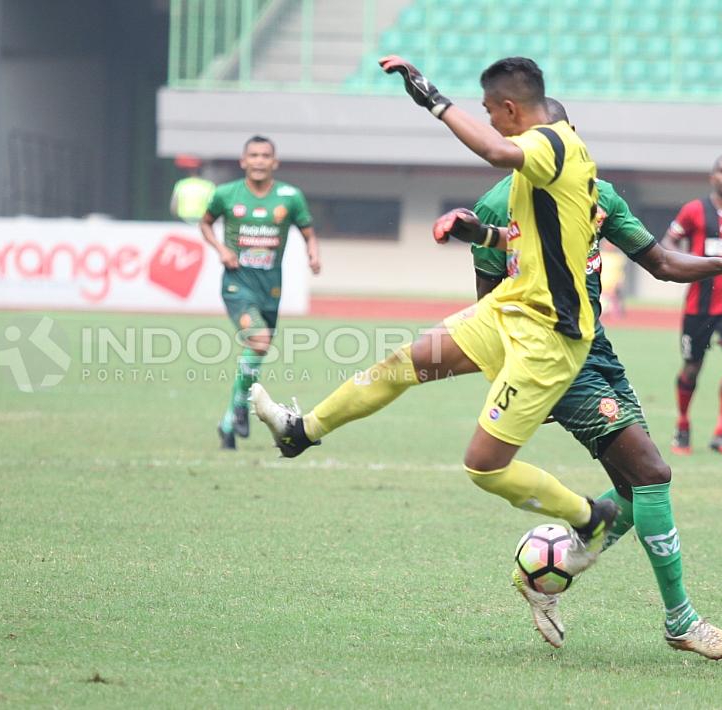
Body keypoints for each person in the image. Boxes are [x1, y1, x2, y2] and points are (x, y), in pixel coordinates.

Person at [252, 56, 620, 575]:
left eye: (491, 110)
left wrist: (434, 100)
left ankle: (589, 517)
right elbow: (537, 240)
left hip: (549, 335)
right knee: (406, 362)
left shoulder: (551, 144)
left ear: (511, 109)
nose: (489, 119)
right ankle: (301, 431)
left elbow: (494, 150)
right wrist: (482, 235)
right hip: (512, 307)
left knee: (484, 468)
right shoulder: (558, 161)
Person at [471, 98, 722, 659]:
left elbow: (662, 263)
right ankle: (681, 620)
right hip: (551, 359)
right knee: (653, 471)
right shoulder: (494, 205)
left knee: (633, 491)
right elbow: (486, 305)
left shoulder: (600, 197)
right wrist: (513, 368)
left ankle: (545, 572)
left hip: (596, 349)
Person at [201, 135, 320, 450]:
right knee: (259, 340)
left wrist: (314, 253)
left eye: (265, 155)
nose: (258, 160)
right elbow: (205, 223)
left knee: (257, 352)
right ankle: (241, 407)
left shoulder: (290, 197)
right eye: (253, 155)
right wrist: (221, 249)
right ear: (243, 161)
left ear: (274, 162)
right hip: (237, 285)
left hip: (271, 288)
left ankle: (228, 421)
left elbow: (308, 232)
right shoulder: (226, 194)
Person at [661, 155, 722, 457]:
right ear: (713, 177)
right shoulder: (694, 211)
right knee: (692, 368)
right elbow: (668, 243)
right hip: (698, 305)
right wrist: (687, 264)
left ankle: (721, 433)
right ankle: (682, 425)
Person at [170, 154, 216, 225]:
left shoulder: (181, 184)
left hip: (183, 222)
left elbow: (173, 208)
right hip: (203, 223)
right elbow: (214, 208)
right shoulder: (209, 186)